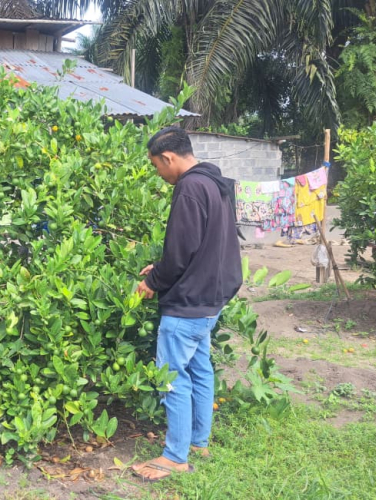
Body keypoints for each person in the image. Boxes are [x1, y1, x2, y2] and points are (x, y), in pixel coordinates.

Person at [133, 127, 242, 482]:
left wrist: (153, 281)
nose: (158, 174)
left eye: (156, 166)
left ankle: (175, 457)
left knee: (172, 377)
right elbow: (203, 245)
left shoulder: (190, 187)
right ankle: (198, 442)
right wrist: (160, 268)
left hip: (189, 303)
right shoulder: (215, 183)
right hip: (211, 298)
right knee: (199, 368)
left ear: (168, 158)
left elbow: (181, 251)